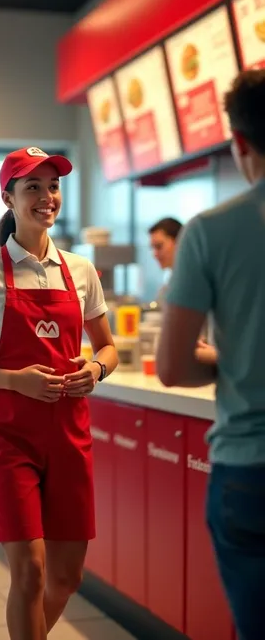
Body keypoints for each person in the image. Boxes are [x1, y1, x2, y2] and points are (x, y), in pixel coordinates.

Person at [0, 147, 118, 640]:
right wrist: (14, 379)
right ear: (8, 198)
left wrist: (96, 369)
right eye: (32, 187)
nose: (46, 197)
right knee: (31, 571)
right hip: (6, 436)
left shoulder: (81, 271)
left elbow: (107, 347)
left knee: (66, 576)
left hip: (68, 434)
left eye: (53, 186)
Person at [156, 69, 265, 640]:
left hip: (250, 469)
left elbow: (172, 368)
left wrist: (234, 360)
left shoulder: (209, 231)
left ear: (240, 142)